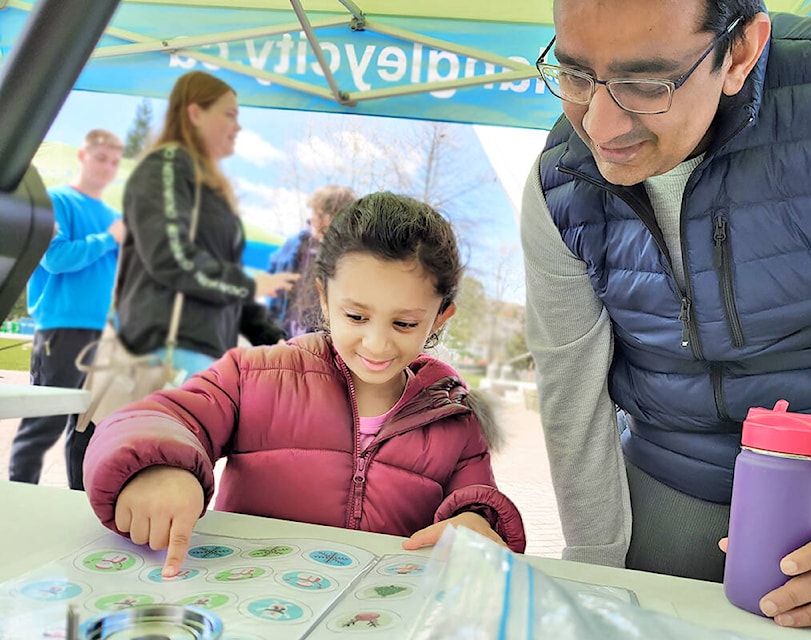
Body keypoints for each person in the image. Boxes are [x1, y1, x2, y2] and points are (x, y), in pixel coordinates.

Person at [521, 0, 811, 634]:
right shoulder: (556, 180)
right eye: (574, 73)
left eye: (647, 84)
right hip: (662, 483)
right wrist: (594, 570)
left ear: (741, 50)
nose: (599, 124)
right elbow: (572, 389)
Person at [83, 191, 526, 577]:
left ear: (439, 318)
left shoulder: (456, 421)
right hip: (248, 603)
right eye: (356, 316)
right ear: (323, 297)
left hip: (372, 619)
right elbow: (155, 418)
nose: (376, 342)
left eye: (405, 322)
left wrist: (476, 524)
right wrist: (158, 467)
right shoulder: (254, 375)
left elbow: (475, 502)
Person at [114, 70, 297, 379]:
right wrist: (249, 284)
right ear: (195, 113)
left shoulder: (210, 188)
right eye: (229, 115)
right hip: (166, 352)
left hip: (205, 353)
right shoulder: (167, 166)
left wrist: (269, 335)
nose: (238, 127)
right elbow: (172, 258)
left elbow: (221, 277)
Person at [8, 129, 125, 490]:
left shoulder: (112, 214)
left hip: (105, 336)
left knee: (89, 428)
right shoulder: (55, 202)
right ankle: (19, 496)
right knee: (44, 422)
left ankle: (81, 501)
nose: (107, 167)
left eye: (114, 162)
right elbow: (56, 259)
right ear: (83, 156)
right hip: (62, 329)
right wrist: (109, 238)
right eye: (101, 158)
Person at [267, 185, 357, 337]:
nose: (312, 218)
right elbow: (273, 279)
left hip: (320, 339)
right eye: (314, 212)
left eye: (319, 213)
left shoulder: (350, 255)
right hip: (285, 330)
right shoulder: (297, 243)